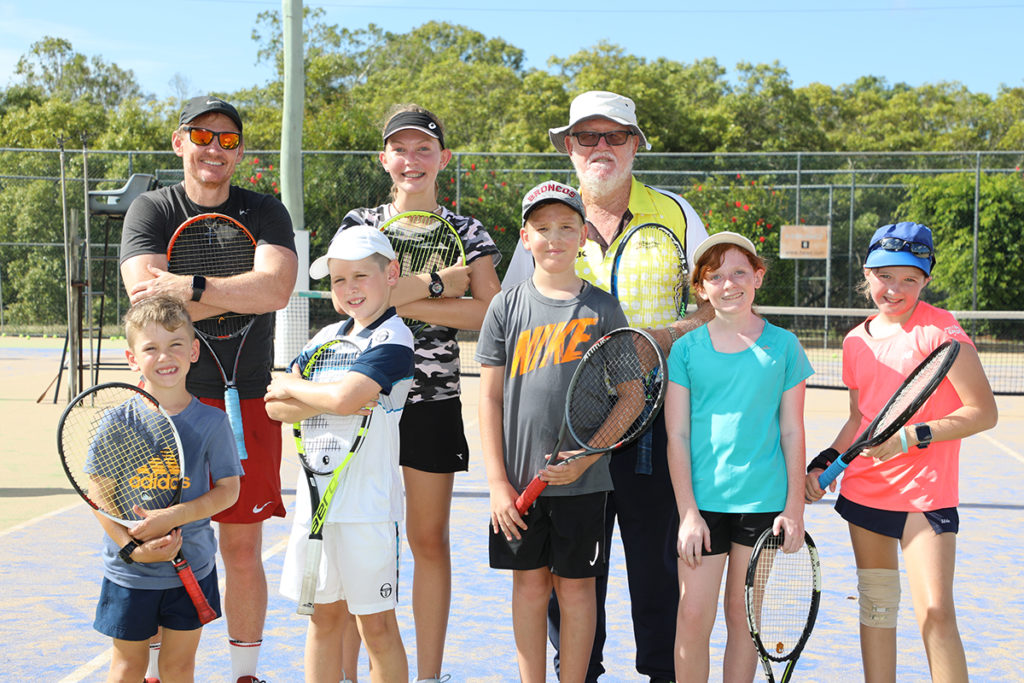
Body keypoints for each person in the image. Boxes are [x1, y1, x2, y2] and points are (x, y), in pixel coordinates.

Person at [503, 90, 712, 681]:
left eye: (615, 136)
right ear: (569, 148)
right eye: (587, 137)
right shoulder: (545, 223)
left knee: (656, 572)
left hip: (654, 425)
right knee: (571, 580)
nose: (601, 147)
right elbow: (518, 322)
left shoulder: (676, 213)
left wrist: (650, 339)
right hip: (569, 433)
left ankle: (660, 674)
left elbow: (712, 306)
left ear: (636, 145)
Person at [120, 95, 297, 683]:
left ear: (239, 151)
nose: (213, 148)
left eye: (226, 139)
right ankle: (152, 670)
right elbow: (148, 304)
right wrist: (231, 289)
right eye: (201, 136)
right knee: (158, 541)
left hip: (246, 398)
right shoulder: (150, 210)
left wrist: (190, 285)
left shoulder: (264, 210)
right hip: (164, 405)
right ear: (180, 143)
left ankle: (245, 672)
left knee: (241, 552)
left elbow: (275, 292)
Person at [332, 104, 501, 682]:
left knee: (428, 541)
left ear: (443, 159)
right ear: (384, 159)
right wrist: (439, 283)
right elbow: (351, 297)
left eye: (424, 149)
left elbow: (485, 312)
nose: (412, 160)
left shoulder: (469, 231)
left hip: (433, 403)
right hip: (363, 399)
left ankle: (427, 676)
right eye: (400, 150)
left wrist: (398, 293)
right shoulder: (360, 223)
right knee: (357, 535)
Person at [805, 222, 997, 683]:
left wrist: (910, 438)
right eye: (885, 275)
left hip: (924, 498)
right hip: (864, 493)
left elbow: (983, 412)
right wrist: (825, 461)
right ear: (867, 273)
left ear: (926, 280)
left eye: (909, 279)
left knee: (935, 612)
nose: (894, 289)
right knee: (876, 606)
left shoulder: (942, 331)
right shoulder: (854, 340)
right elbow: (859, 419)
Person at [477, 180, 628, 682]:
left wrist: (588, 458)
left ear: (584, 234)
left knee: (578, 589)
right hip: (520, 486)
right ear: (525, 237)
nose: (555, 238)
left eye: (566, 227)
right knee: (528, 588)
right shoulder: (505, 306)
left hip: (584, 485)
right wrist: (499, 484)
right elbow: (490, 398)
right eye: (542, 229)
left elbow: (630, 397)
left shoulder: (605, 308)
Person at [267, 225, 415, 683]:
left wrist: (302, 387)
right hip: (316, 507)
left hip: (368, 511)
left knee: (377, 628)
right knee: (322, 620)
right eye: (337, 280)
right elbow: (276, 404)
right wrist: (320, 393)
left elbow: (344, 400)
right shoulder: (326, 336)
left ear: (391, 273)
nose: (349, 289)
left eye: (360, 277)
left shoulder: (394, 340)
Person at [664, 232, 812, 681]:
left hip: (762, 507)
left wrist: (794, 507)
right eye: (715, 276)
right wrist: (688, 512)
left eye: (739, 273)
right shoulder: (686, 349)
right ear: (702, 288)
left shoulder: (784, 347)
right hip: (703, 509)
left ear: (758, 277)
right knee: (693, 615)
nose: (728, 284)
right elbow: (677, 434)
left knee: (743, 620)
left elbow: (791, 429)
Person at [91, 296, 241, 683]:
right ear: (132, 358)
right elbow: (98, 493)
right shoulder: (118, 422)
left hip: (192, 567)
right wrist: (132, 548)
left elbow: (228, 490)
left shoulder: (212, 422)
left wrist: (177, 515)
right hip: (131, 574)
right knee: (127, 667)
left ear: (193, 351)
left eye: (175, 344)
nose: (165, 356)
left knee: (178, 667)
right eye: (151, 348)